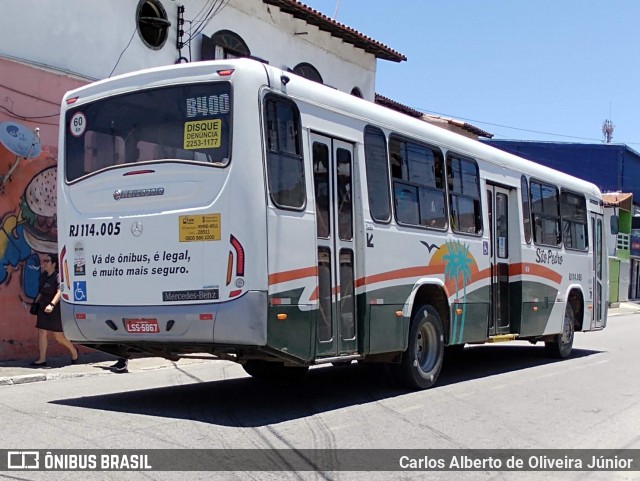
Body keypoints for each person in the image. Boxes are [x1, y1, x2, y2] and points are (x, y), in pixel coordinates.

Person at [30, 253, 78, 367]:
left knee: (58, 337)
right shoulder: (43, 275)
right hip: (42, 308)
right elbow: (41, 291)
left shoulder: (58, 276)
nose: (44, 263)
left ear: (54, 264)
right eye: (44, 261)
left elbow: (60, 292)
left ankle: (74, 351)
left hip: (54, 309)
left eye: (47, 261)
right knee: (42, 332)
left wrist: (52, 304)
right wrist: (35, 303)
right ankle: (42, 359)